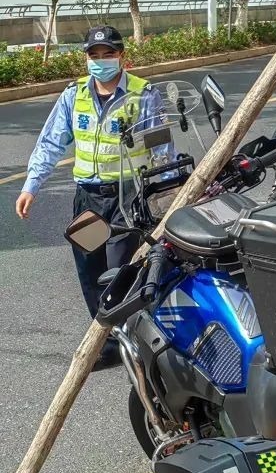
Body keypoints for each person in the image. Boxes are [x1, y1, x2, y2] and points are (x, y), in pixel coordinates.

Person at [15, 25, 173, 369]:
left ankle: (139, 342)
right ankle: (107, 342)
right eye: (94, 56)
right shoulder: (74, 96)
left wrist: (170, 196)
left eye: (108, 54)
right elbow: (50, 142)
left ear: (122, 57)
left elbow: (162, 150)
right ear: (86, 59)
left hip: (127, 199)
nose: (101, 61)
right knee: (90, 270)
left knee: (122, 271)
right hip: (88, 199)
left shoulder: (143, 95)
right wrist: (31, 185)